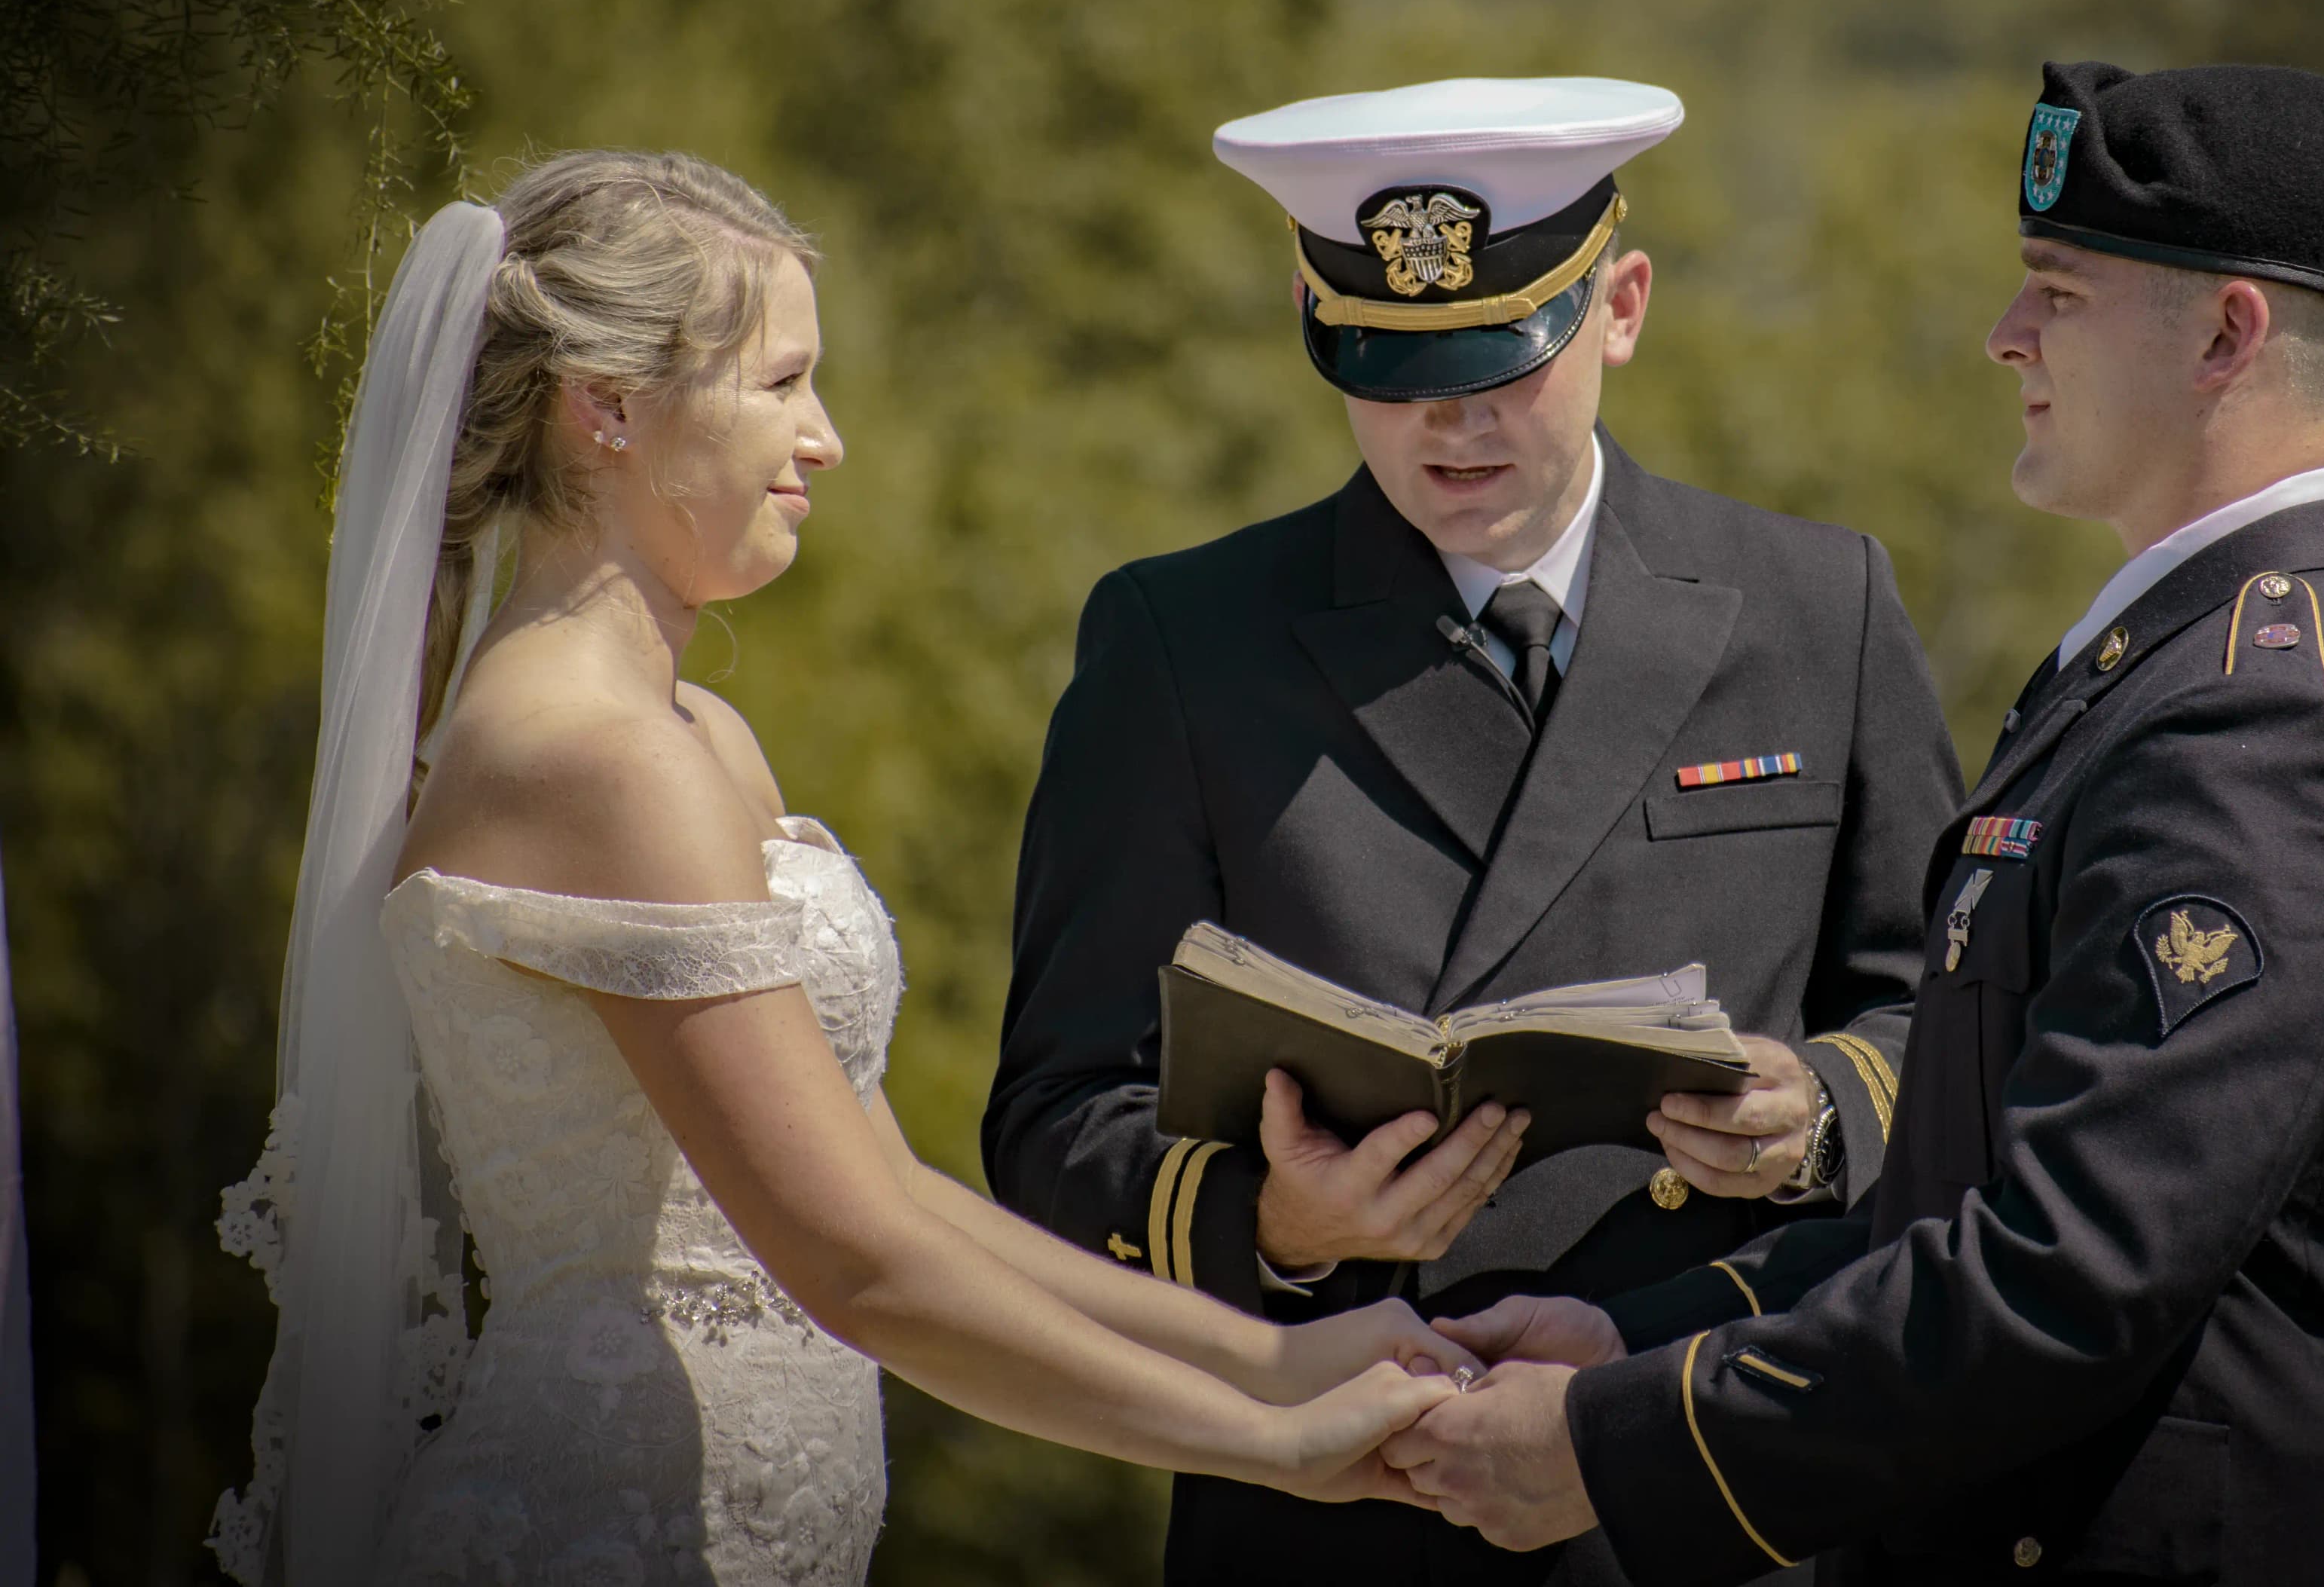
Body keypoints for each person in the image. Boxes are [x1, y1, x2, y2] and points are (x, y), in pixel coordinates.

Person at [207, 152, 1474, 1586]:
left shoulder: (699, 738)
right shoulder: (604, 765)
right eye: (782, 383)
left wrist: (1284, 1357)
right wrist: (1272, 1448)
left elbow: (891, 1189)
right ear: (606, 407)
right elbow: (858, 1264)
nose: (828, 440)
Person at [1390, 61, 2324, 1586]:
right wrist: (1635, 1339)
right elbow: (1963, 1199)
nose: (2006, 333)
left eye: (2061, 292)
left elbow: (2068, 1271)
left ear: (2227, 336)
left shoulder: (2265, 725)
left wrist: (1610, 1443)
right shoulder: (2173, 670)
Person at [986, 76, 1964, 1584]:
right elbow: (1055, 1116)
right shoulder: (1183, 642)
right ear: (1315, 328)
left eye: (1504, 357)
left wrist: (1820, 1109)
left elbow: (1954, 1020)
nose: (1454, 422)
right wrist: (1278, 1222)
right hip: (1347, 1499)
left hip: (1704, 1473)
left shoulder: (1818, 607)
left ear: (1621, 308)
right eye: (1395, 366)